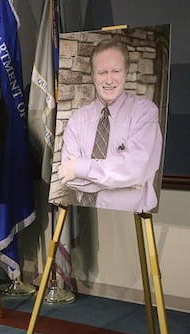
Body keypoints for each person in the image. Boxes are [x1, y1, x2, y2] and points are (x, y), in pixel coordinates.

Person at [58, 39, 163, 213]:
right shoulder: (77, 119)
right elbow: (68, 177)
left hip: (130, 219)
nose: (109, 79)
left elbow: (135, 169)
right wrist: (122, 180)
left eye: (115, 71)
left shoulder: (145, 112)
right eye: (102, 72)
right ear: (93, 75)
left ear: (126, 73)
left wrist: (81, 168)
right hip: (83, 215)